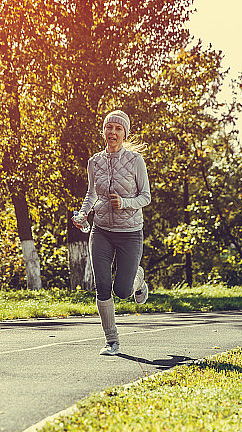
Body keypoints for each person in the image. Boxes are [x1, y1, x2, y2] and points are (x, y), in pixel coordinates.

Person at [72, 110, 151, 355]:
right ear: (103, 131)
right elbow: (91, 194)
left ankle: (138, 280)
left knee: (122, 291)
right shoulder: (94, 162)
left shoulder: (136, 161)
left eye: (118, 128)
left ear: (124, 133)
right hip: (102, 230)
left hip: (130, 232)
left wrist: (125, 203)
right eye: (109, 128)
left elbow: (146, 197)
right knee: (103, 285)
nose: (113, 132)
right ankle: (112, 341)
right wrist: (83, 214)